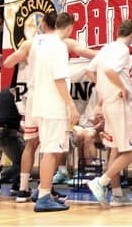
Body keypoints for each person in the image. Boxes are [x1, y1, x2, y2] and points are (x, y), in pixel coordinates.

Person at [86, 20, 132, 208]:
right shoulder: (123, 49)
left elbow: (89, 71)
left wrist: (104, 89)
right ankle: (101, 182)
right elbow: (110, 71)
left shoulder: (106, 48)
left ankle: (117, 195)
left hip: (108, 104)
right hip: (120, 104)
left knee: (115, 148)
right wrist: (121, 88)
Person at [28, 12, 79, 212]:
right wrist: (71, 105)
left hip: (40, 103)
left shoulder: (40, 42)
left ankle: (43, 191)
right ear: (69, 27)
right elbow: (59, 79)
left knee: (49, 150)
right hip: (53, 106)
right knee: (50, 152)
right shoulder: (58, 46)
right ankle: (43, 197)